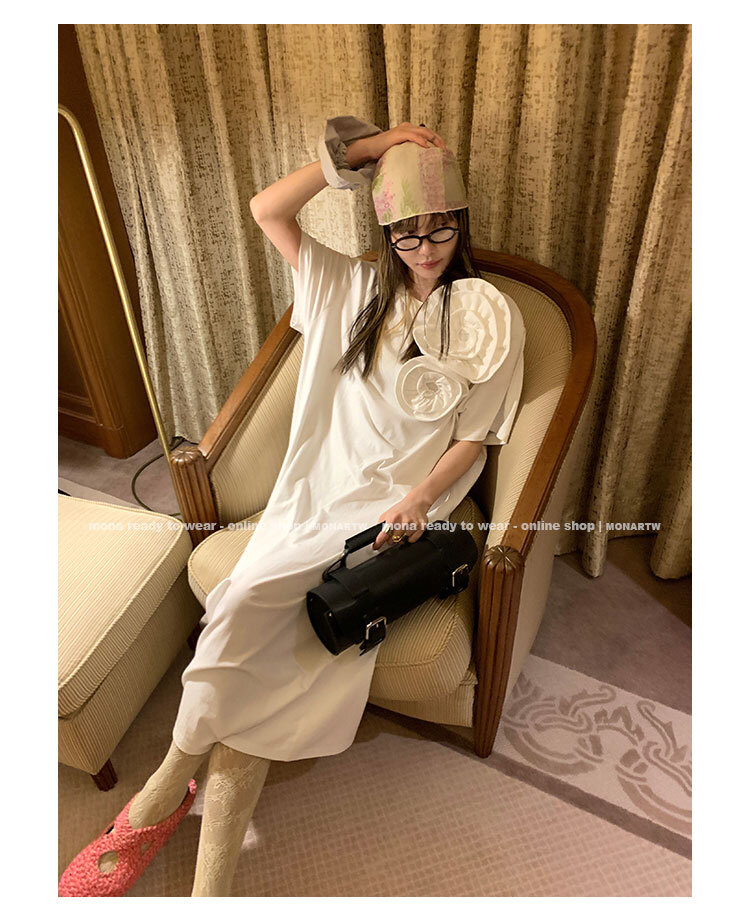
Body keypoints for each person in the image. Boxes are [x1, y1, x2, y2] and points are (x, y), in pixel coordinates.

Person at [58, 118, 526, 897]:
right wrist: (368, 149)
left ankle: (165, 807)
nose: (425, 247)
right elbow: (267, 210)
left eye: (441, 227)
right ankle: (180, 815)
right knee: (250, 607)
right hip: (315, 492)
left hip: (396, 511)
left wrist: (417, 499)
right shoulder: (349, 289)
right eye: (406, 232)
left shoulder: (489, 315)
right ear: (385, 233)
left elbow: (476, 437)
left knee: (253, 619)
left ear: (462, 222)